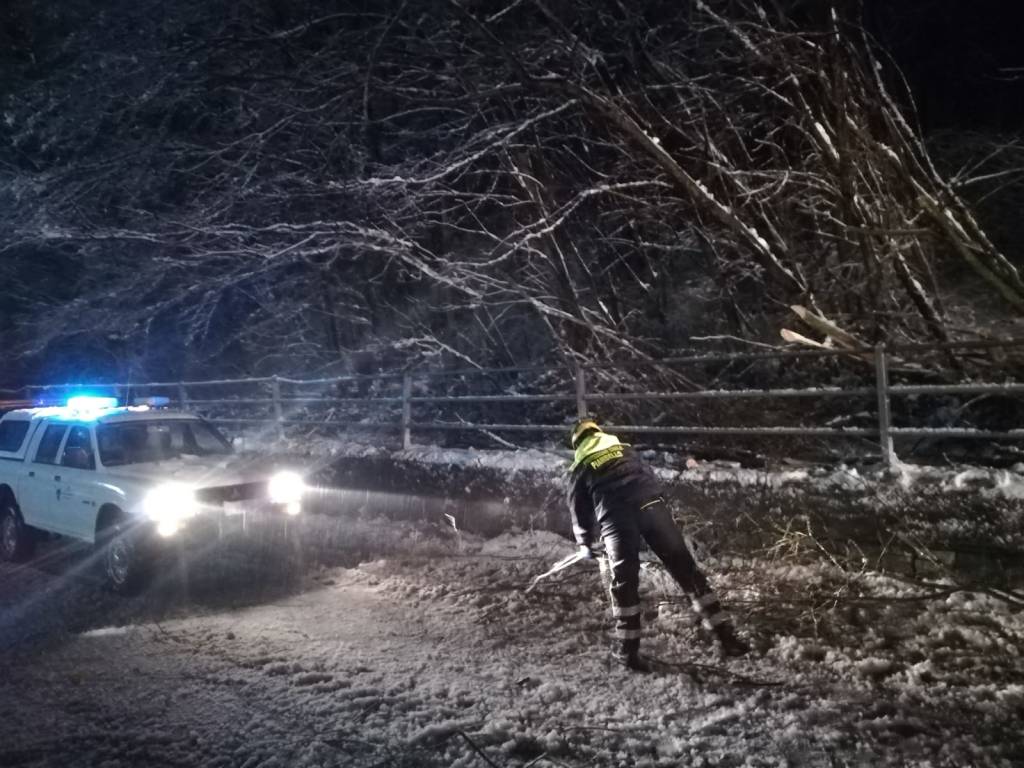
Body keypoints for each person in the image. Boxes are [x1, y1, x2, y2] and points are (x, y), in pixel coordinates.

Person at [567, 418, 749, 671]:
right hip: (652, 507)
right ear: (599, 433)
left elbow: (578, 509)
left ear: (578, 444)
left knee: (625, 585)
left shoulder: (581, 466)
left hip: (617, 519)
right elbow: (650, 477)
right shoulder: (626, 451)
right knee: (687, 571)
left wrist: (585, 542)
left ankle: (628, 655)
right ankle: (728, 638)